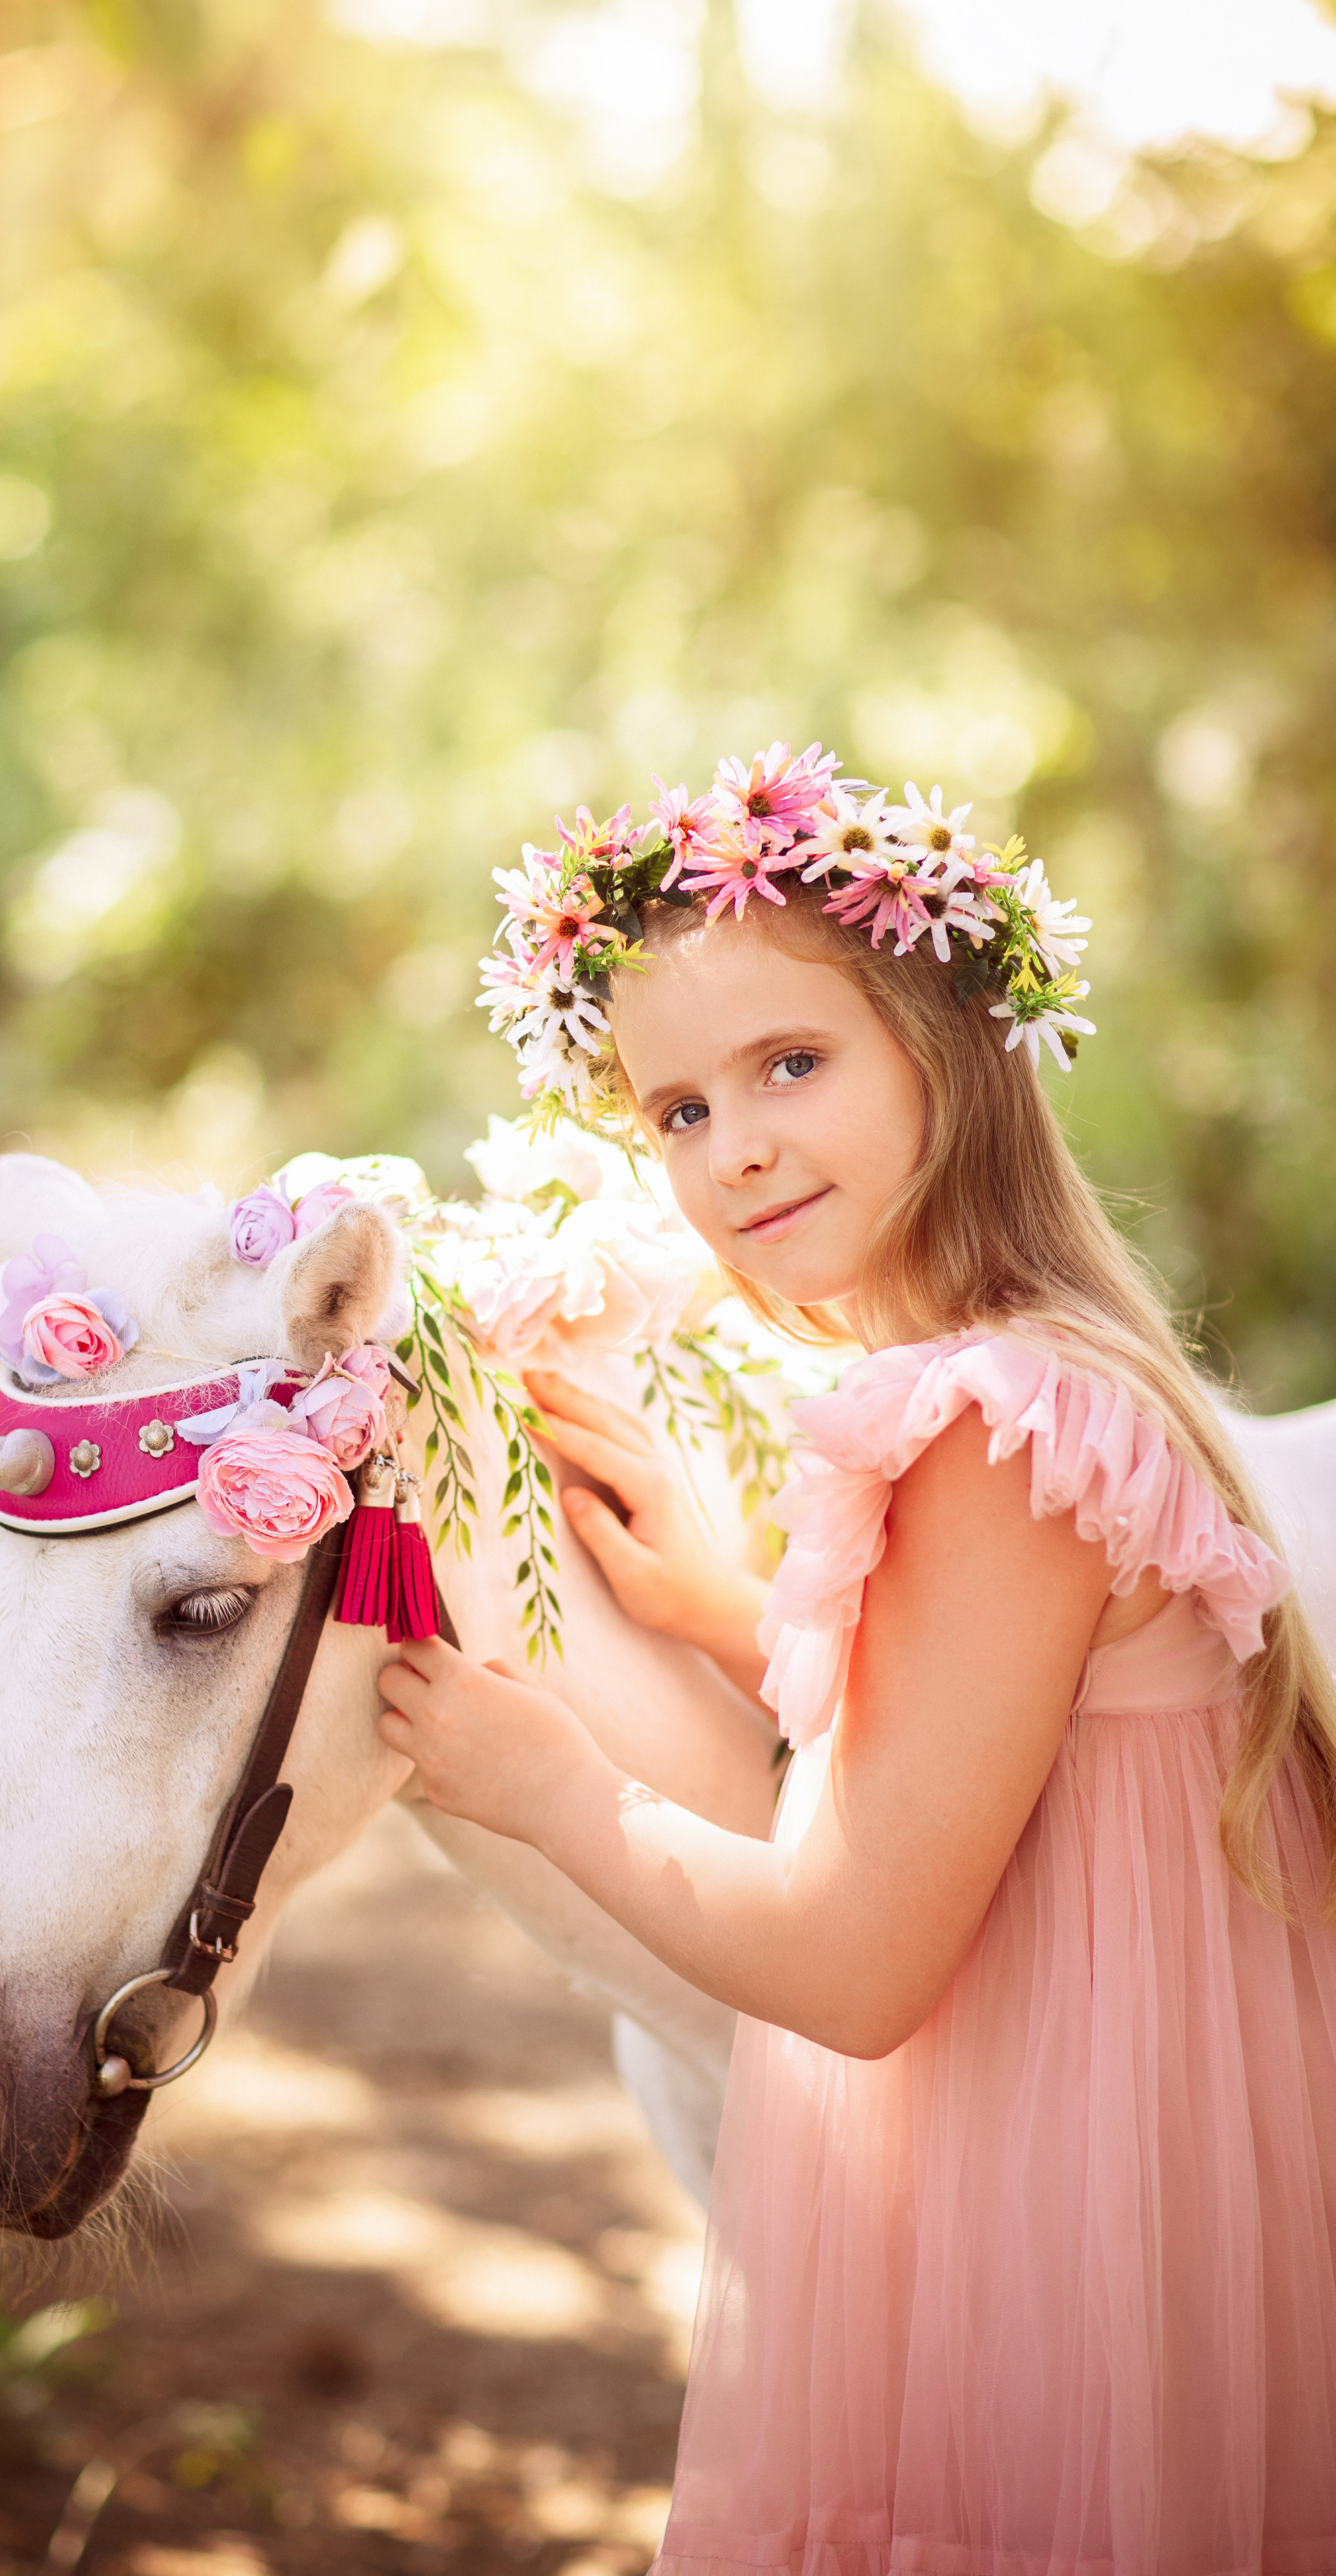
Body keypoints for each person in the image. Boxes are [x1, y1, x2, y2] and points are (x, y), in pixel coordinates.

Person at [377, 751, 1336, 2575]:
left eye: (791, 1065)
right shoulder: (1032, 1382)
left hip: (1047, 2216)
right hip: (1090, 2175)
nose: (731, 1146)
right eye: (676, 1108)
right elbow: (1028, 1746)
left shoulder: (994, 1433)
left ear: (951, 1055)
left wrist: (556, 1790)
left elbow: (855, 1968)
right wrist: (732, 1612)